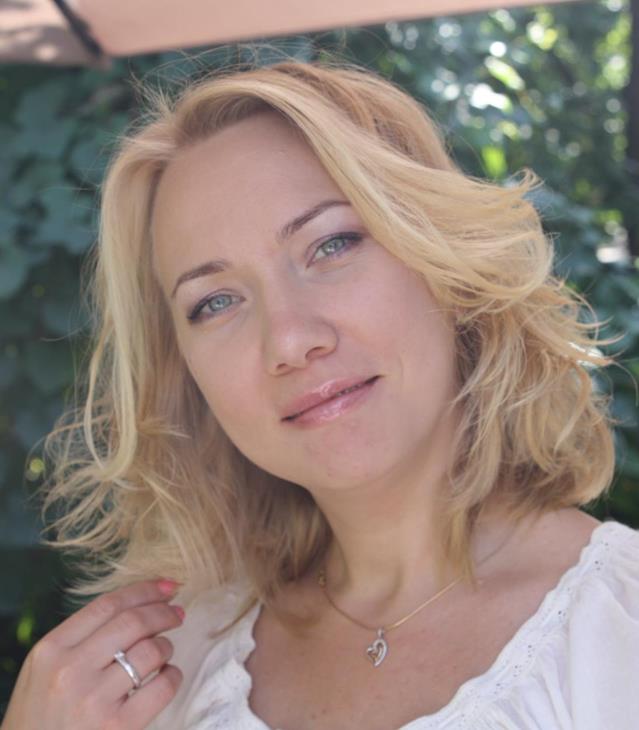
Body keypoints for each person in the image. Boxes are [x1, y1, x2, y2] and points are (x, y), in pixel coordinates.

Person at [2, 55, 638, 730]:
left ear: (444, 258)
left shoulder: (617, 627)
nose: (287, 341)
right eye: (215, 301)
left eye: (330, 245)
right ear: (185, 375)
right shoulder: (160, 672)